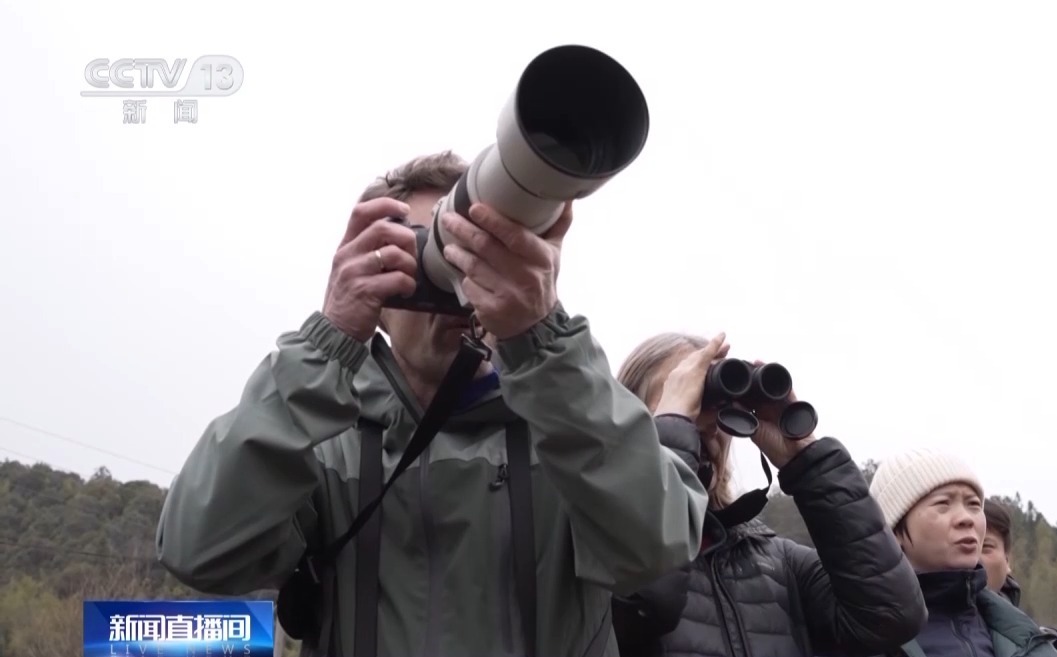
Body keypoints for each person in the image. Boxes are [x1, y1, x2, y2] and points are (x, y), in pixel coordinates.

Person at [154, 151, 709, 657]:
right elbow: (198, 550)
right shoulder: (326, 444)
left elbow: (657, 549)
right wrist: (327, 342)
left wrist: (543, 342)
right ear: (378, 295)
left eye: (471, 251)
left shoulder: (567, 431)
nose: (451, 278)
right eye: (423, 252)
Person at [608, 332, 928, 657]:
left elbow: (892, 617)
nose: (703, 418)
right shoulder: (586, 543)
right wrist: (671, 432)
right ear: (625, 416)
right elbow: (634, 612)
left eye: (713, 398)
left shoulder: (778, 564)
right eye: (687, 392)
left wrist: (808, 461)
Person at [867, 449, 1057, 657]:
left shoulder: (1024, 638)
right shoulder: (859, 638)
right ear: (893, 531)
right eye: (943, 504)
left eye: (973, 504)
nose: (966, 518)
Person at [983, 500, 1057, 657]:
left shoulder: (1046, 647)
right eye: (962, 545)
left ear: (1008, 561)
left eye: (985, 547)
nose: (973, 559)